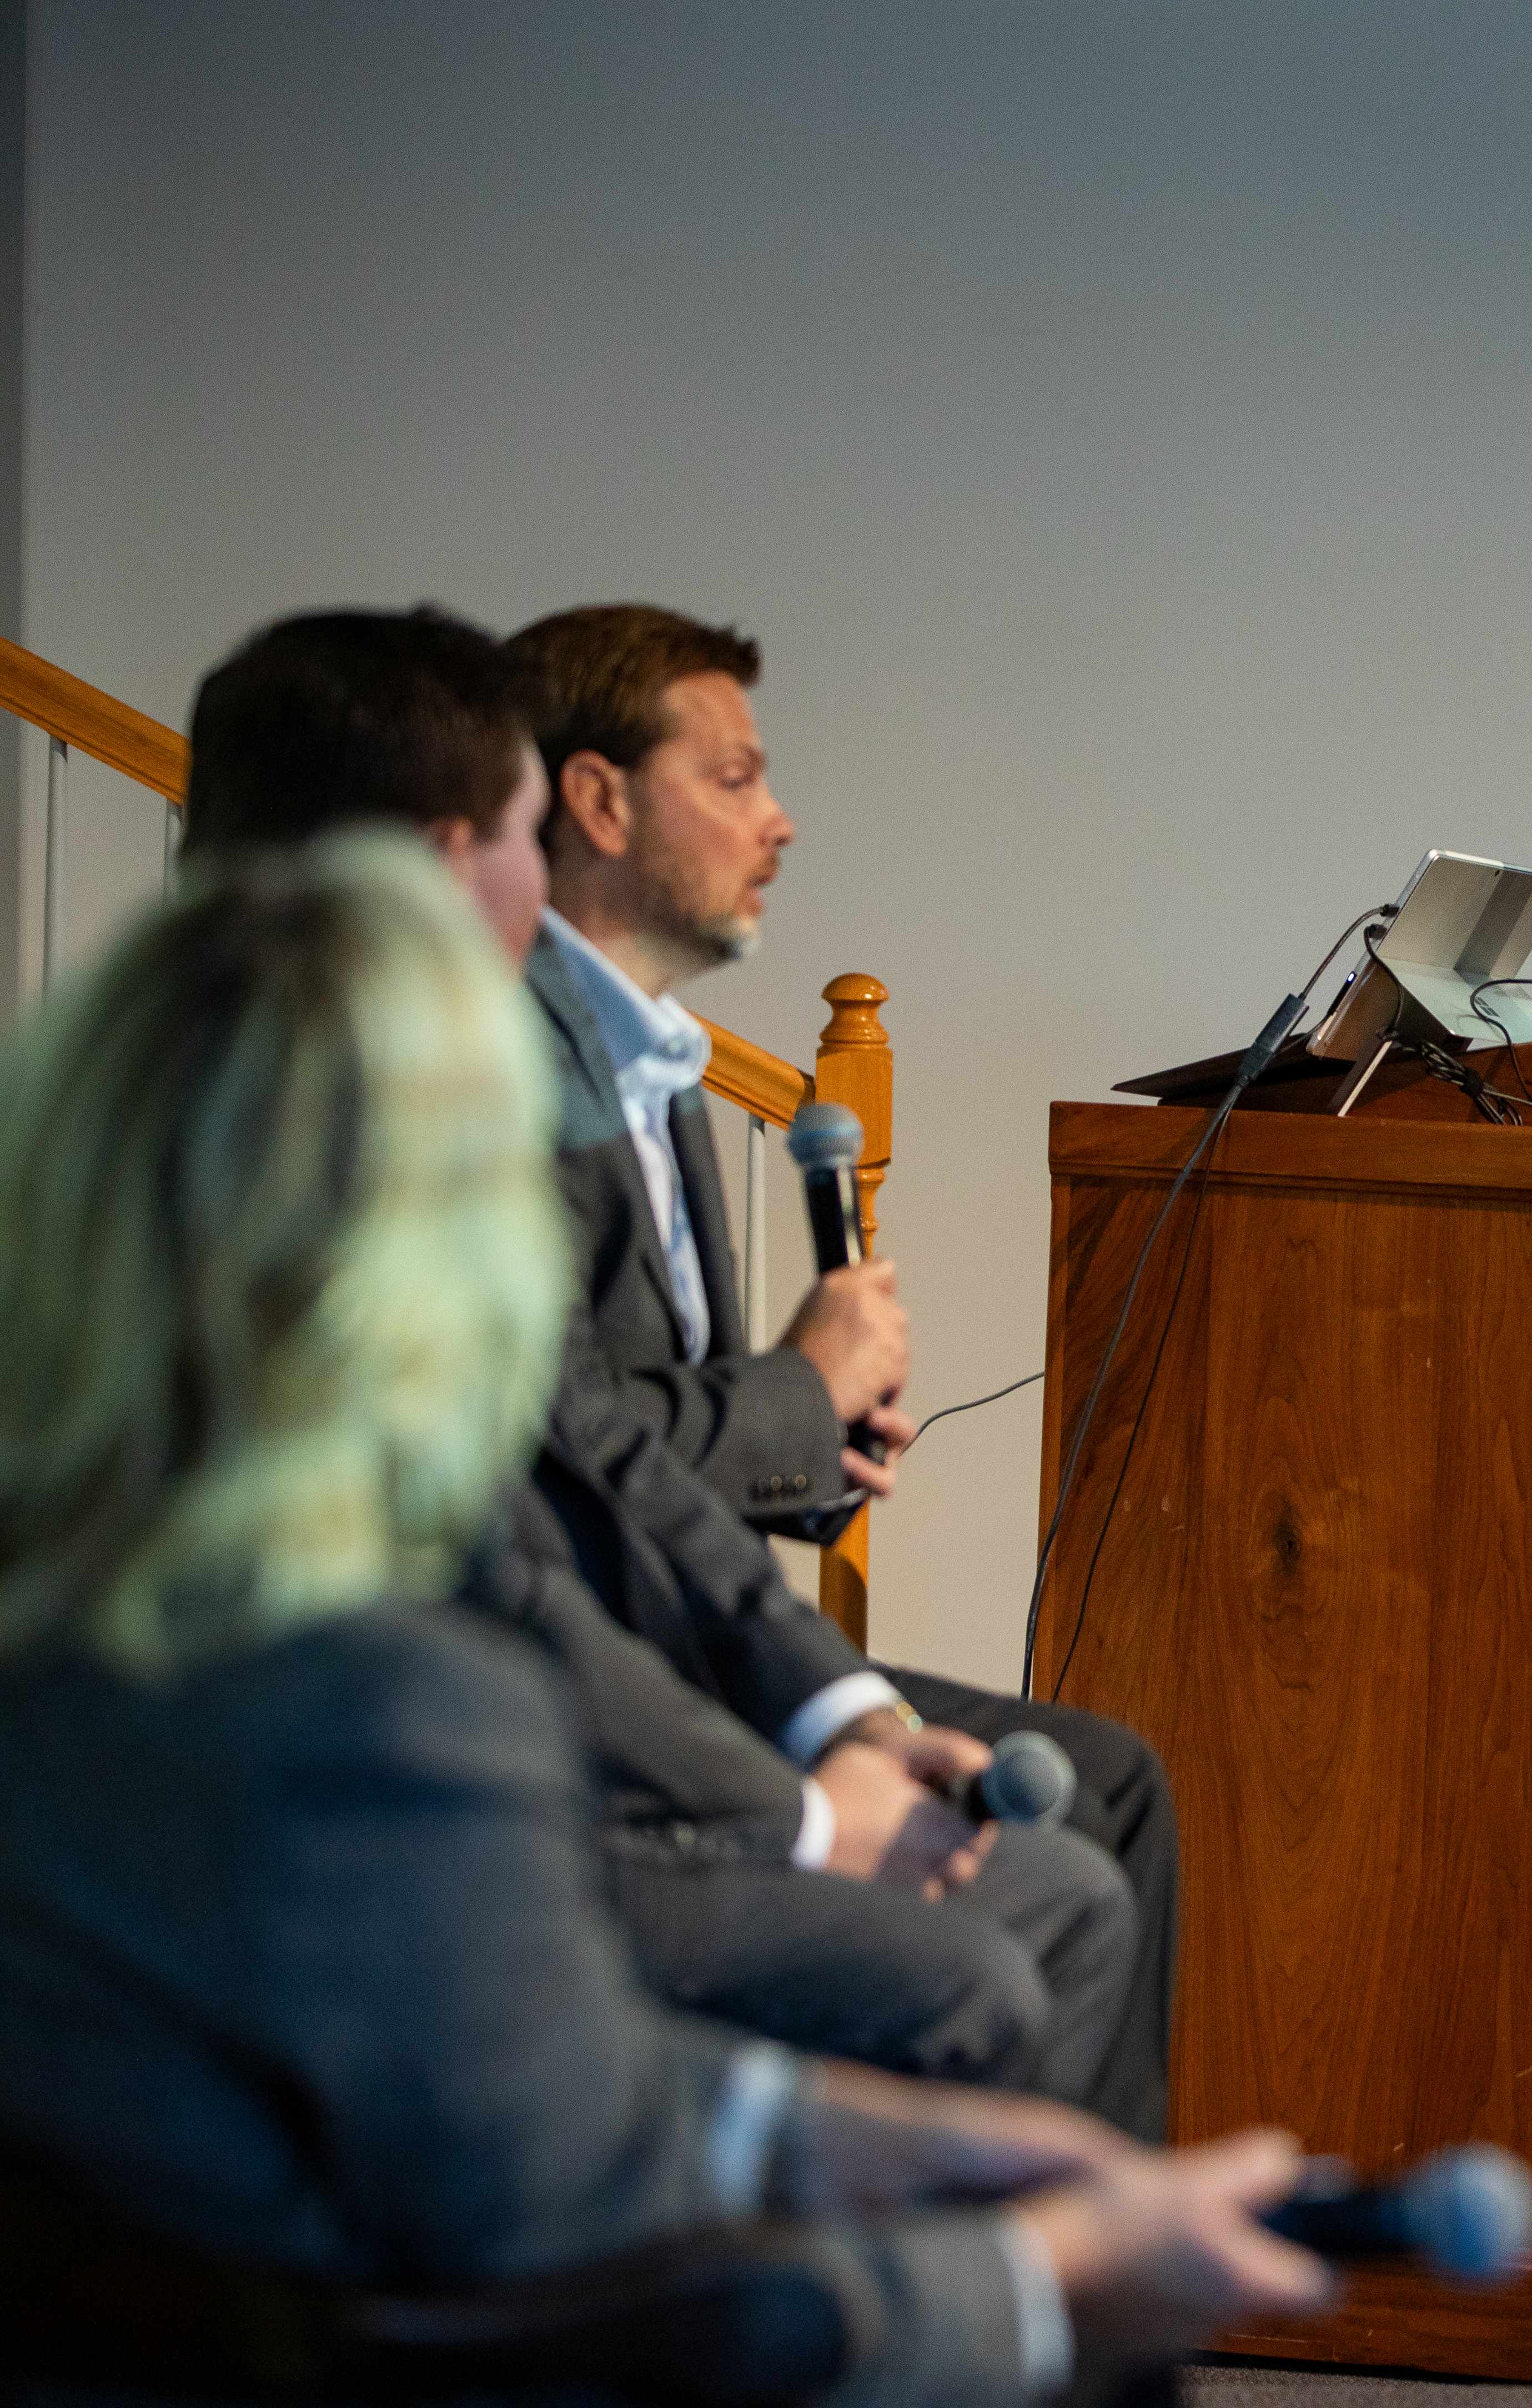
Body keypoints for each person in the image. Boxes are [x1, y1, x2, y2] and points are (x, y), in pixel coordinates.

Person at [0, 830, 1328, 2401]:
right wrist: (1041, 2281)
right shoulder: (388, 1719)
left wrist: (876, 2142)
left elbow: (526, 2077)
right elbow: (611, 2294)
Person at [180, 607, 1132, 2103]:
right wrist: (807, 1815)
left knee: (1067, 1858)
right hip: (422, 1816)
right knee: (1024, 1930)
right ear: (453, 863)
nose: (536, 891)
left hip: (501, 1742)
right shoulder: (375, 1136)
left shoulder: (336, 1090)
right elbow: (509, 1569)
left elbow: (588, 1464)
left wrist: (847, 1717)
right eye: (516, 831)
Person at [509, 602, 1182, 2140]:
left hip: (696, 1625)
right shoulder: (506, 1064)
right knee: (1050, 1880)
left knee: (1115, 1779)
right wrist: (798, 1391)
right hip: (589, 1682)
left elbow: (655, 1448)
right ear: (601, 802)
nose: (782, 818)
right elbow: (554, 1449)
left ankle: (1078, 2289)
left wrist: (816, 1443)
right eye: (736, 776)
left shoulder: (661, 1060)